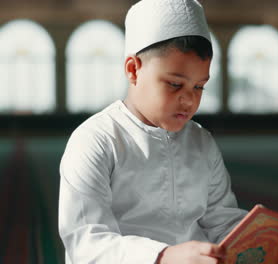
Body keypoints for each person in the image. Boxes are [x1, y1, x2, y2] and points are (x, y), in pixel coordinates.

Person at [58, 0, 247, 263]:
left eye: (199, 87)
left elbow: (222, 223)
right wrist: (163, 256)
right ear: (133, 70)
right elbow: (87, 242)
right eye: (174, 84)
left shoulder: (201, 141)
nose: (189, 100)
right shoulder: (96, 140)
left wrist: (276, 236)